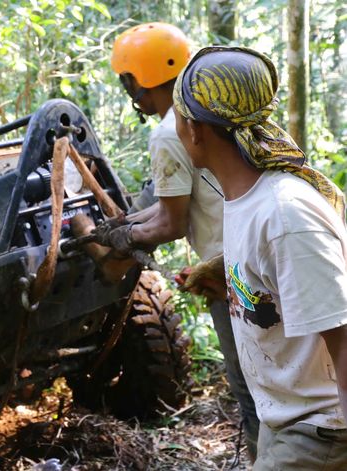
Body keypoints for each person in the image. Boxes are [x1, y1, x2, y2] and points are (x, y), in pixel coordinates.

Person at [166, 45, 347, 469]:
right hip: (284, 420)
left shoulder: (285, 213)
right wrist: (235, 282)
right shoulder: (247, 196)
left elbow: (344, 337)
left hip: (320, 432)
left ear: (195, 130)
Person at [96, 22, 260, 457]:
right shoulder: (212, 110)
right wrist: (125, 224)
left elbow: (169, 224)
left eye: (127, 80)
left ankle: (268, 459)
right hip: (259, 253)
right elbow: (179, 204)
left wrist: (120, 237)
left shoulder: (170, 131)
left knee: (251, 388)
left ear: (137, 81)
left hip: (233, 276)